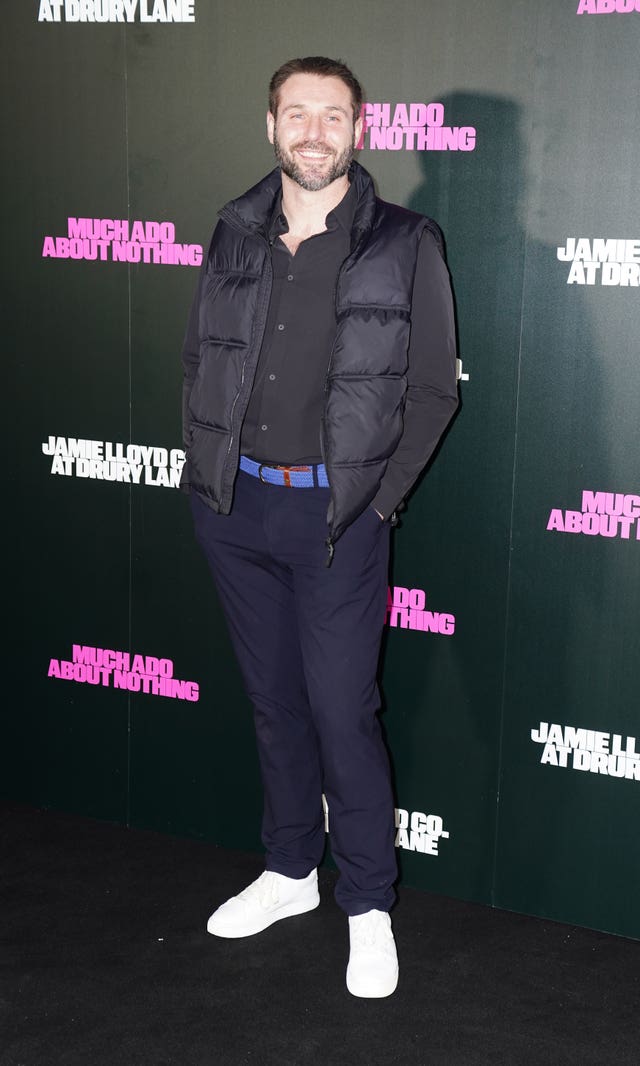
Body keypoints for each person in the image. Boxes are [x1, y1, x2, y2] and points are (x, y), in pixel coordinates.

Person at [181, 55, 458, 998]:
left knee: (344, 711)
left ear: (359, 129)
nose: (313, 132)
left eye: (331, 115)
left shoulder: (406, 240)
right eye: (295, 114)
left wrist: (377, 500)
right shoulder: (234, 229)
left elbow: (432, 390)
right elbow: (200, 359)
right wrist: (207, 478)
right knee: (275, 704)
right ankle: (292, 869)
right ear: (271, 126)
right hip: (235, 509)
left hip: (337, 516)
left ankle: (368, 904)